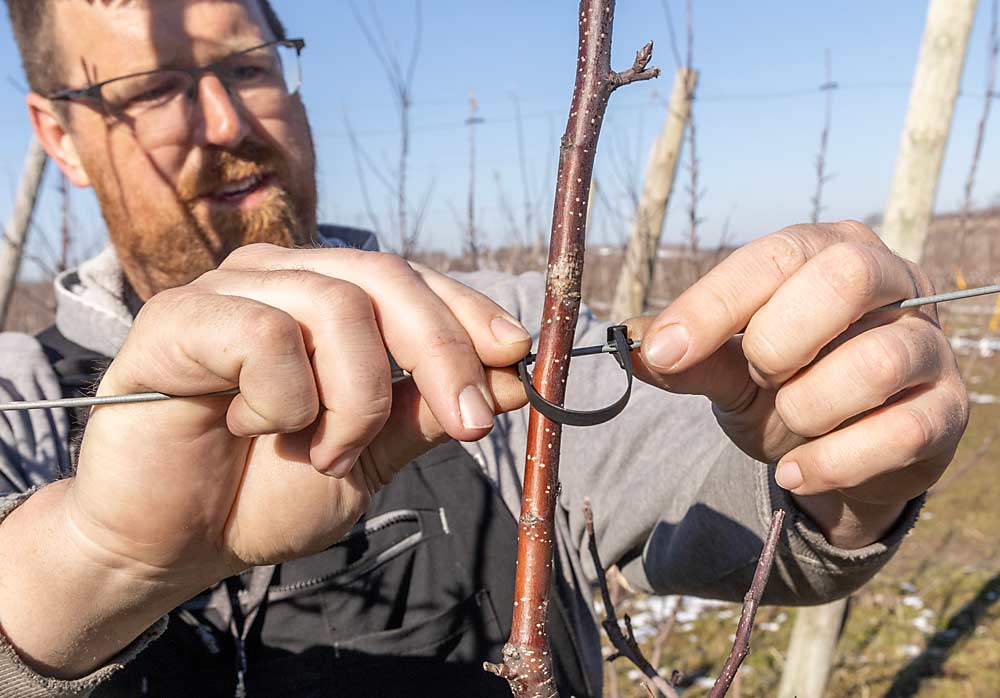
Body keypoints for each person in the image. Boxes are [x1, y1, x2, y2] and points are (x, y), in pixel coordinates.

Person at [0, 1, 969, 697]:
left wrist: (845, 448)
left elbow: (749, 495)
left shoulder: (485, 330)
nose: (224, 123)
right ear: (60, 136)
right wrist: (98, 556)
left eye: (250, 64)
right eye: (153, 88)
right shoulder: (21, 399)